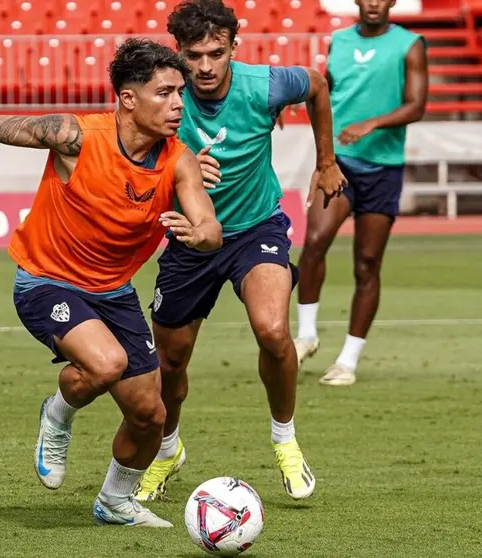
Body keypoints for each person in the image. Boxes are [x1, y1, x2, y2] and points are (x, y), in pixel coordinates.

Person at [0, 39, 223, 527]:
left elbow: (210, 228)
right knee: (107, 364)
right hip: (46, 281)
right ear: (127, 98)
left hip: (113, 291)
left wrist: (199, 233)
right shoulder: (77, 136)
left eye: (180, 93)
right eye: (164, 93)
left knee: (151, 416)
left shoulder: (179, 160)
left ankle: (115, 501)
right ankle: (57, 415)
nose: (179, 104)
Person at [133, 0, 346, 504]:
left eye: (216, 53)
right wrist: (176, 178)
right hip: (190, 237)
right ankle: (166, 450)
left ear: (234, 47)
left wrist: (327, 161)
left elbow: (316, 83)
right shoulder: (159, 98)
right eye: (193, 55)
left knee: (273, 331)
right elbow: (130, 162)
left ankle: (285, 440)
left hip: (256, 228)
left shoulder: (267, 85)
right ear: (177, 53)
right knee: (171, 360)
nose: (204, 67)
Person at [294, 0, 428, 386]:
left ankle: (347, 362)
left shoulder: (409, 44)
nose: (373, 3)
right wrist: (322, 159)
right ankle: (306, 335)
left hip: (383, 169)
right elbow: (323, 95)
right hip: (340, 162)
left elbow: (416, 105)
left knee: (367, 264)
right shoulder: (338, 41)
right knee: (315, 241)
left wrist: (372, 123)